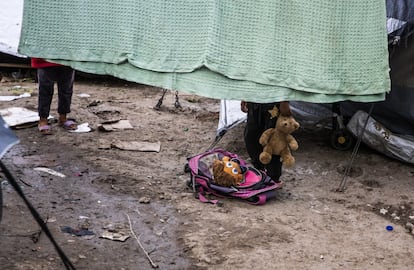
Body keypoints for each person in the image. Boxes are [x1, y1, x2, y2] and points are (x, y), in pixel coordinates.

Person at [241, 100, 292, 183]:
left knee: (273, 140)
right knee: (251, 137)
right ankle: (259, 170)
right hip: (254, 101)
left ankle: (273, 177)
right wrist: (245, 97)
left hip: (274, 102)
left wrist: (284, 101)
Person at [31, 58, 77, 135]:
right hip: (45, 59)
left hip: (67, 59)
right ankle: (43, 120)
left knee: (66, 90)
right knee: (45, 90)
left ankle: (63, 118)